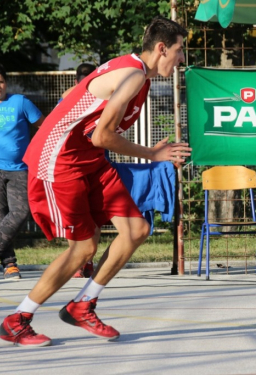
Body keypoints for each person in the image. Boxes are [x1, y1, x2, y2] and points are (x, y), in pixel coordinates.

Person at [0, 16, 191, 347]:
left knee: (136, 230)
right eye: (179, 50)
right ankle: (18, 320)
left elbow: (89, 122)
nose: (181, 60)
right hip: (60, 161)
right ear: (161, 48)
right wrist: (151, 153)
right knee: (84, 248)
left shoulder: (135, 74)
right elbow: (102, 135)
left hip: (89, 160)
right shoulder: (132, 75)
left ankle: (83, 304)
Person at [0, 64, 45, 280]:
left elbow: (44, 127)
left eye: (0, 81)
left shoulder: (19, 102)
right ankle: (9, 265)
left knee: (21, 212)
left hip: (19, 170)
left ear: (6, 82)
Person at [60, 63, 98, 278]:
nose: (87, 82)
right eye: (83, 79)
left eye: (91, 77)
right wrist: (85, 87)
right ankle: (77, 259)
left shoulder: (105, 98)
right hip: (73, 164)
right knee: (74, 215)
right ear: (77, 81)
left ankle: (88, 261)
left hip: (96, 162)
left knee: (93, 215)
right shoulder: (69, 98)